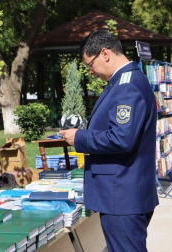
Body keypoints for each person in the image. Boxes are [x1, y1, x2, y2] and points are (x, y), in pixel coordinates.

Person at [58, 30, 158, 252]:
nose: (91, 71)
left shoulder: (127, 86)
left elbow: (121, 138)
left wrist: (79, 137)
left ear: (105, 53)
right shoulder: (124, 82)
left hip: (121, 194)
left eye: (90, 64)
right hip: (123, 191)